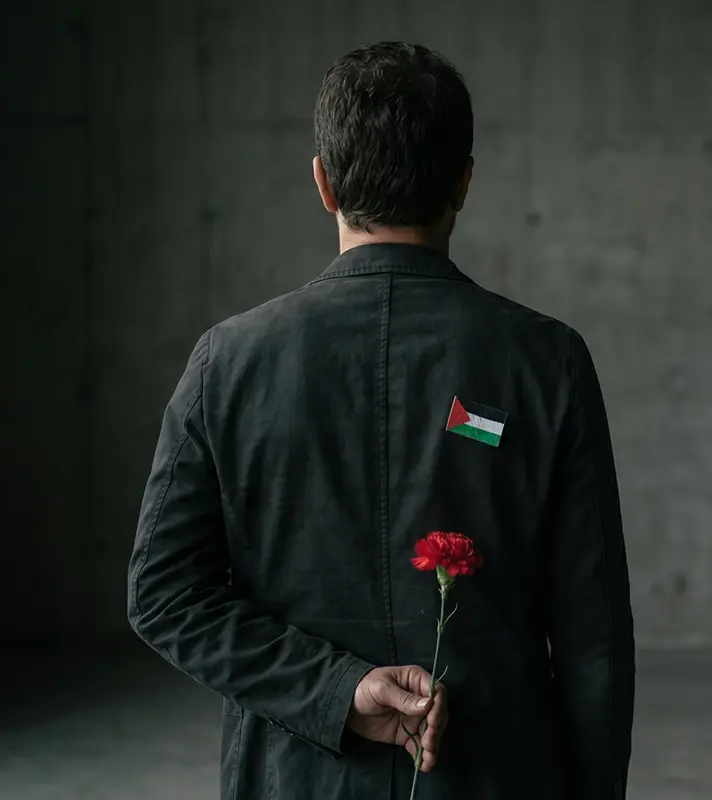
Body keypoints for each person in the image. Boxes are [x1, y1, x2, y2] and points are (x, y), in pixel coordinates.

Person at [126, 41, 635, 799]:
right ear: (463, 182)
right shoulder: (546, 360)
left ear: (324, 184)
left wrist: (336, 690)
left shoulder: (227, 362)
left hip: (294, 778)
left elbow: (164, 595)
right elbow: (595, 640)